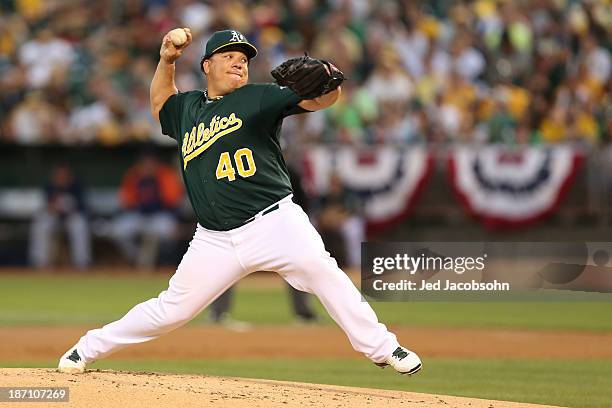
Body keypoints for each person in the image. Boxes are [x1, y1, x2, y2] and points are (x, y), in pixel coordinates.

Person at [58, 28, 421, 376]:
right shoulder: (186, 108)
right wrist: (166, 61)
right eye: (228, 56)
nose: (238, 62)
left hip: (275, 223)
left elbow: (319, 99)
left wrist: (331, 82)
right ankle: (86, 349)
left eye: (243, 58)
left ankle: (384, 348)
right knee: (170, 310)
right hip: (214, 238)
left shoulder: (259, 97)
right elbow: (158, 104)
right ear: (206, 66)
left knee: (323, 272)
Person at [112, 150, 183, 268]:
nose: (147, 165)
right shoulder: (134, 175)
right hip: (138, 216)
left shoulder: (165, 174)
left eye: (150, 162)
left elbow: (173, 201)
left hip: (160, 216)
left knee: (168, 231)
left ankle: (160, 262)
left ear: (156, 163)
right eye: (144, 163)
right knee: (117, 230)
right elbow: (126, 201)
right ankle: (136, 258)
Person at [29, 162, 91, 269]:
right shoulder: (49, 185)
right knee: (41, 226)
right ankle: (40, 263)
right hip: (54, 217)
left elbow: (82, 207)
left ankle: (82, 263)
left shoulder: (77, 185)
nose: (61, 176)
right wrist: (55, 206)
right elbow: (47, 206)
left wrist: (68, 207)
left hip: (72, 217)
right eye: (59, 174)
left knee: (80, 225)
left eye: (64, 174)